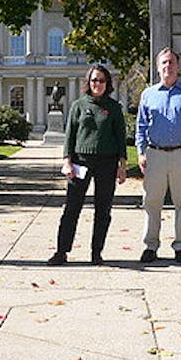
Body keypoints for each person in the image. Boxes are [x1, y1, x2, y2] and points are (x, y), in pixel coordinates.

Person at [47, 65, 127, 266]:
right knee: (72, 208)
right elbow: (70, 136)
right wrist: (67, 161)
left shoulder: (114, 107)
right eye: (94, 80)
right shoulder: (78, 106)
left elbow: (120, 138)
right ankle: (61, 251)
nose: (97, 84)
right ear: (88, 83)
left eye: (101, 80)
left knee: (103, 209)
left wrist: (122, 165)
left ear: (107, 83)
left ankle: (96, 252)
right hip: (81, 162)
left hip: (107, 163)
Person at [135, 47, 181, 263]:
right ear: (158, 68)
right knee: (152, 201)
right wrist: (140, 152)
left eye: (172, 62)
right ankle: (150, 245)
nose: (168, 66)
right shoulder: (148, 95)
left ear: (178, 67)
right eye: (164, 63)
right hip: (155, 153)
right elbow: (140, 126)